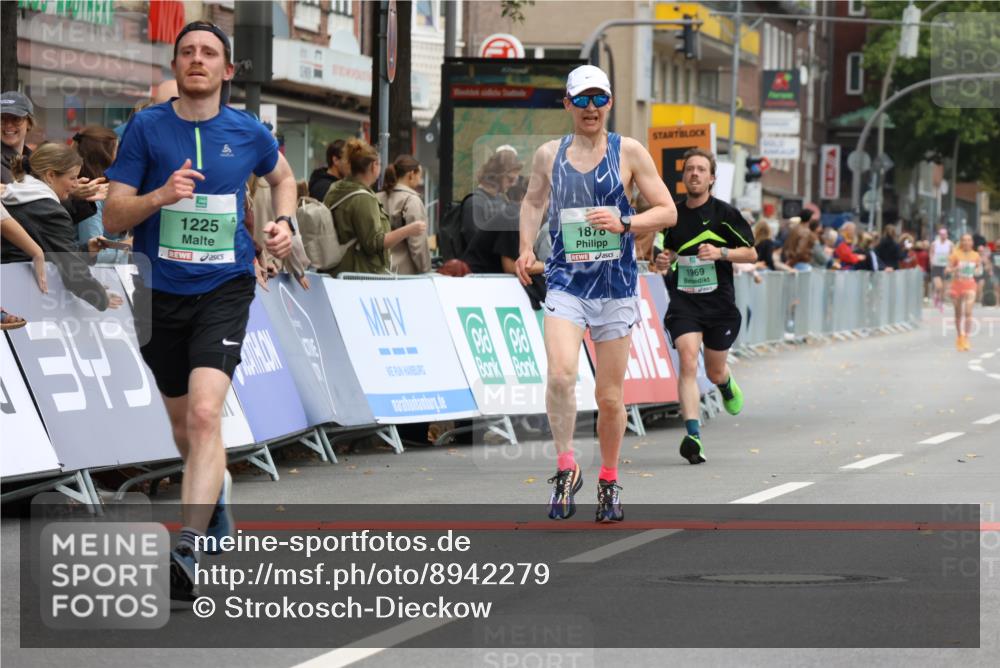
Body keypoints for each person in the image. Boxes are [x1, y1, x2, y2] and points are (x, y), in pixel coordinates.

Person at [102, 21, 297, 604]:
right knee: (185, 425)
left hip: (225, 287)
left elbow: (283, 179)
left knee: (208, 415)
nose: (197, 60)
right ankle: (213, 494)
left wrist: (282, 223)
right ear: (175, 65)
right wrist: (159, 197)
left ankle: (185, 543)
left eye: (209, 53)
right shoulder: (145, 129)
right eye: (187, 51)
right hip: (156, 289)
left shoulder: (248, 131)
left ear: (226, 70)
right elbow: (113, 218)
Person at [515, 65, 677, 522]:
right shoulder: (549, 154)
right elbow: (532, 201)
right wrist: (526, 247)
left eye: (598, 99)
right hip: (566, 281)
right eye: (581, 100)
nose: (591, 108)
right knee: (562, 375)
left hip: (615, 287)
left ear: (609, 103)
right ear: (567, 104)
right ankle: (567, 466)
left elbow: (667, 212)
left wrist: (626, 222)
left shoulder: (629, 152)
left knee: (609, 396)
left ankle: (608, 478)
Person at [653, 149, 756, 465]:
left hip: (720, 306)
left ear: (712, 178)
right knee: (686, 360)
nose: (694, 174)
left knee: (712, 370)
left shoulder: (726, 214)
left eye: (701, 169)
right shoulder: (670, 215)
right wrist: (661, 260)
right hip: (684, 303)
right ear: (683, 177)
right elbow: (659, 255)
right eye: (689, 169)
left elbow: (751, 254)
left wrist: (721, 254)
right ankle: (693, 435)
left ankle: (724, 382)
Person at [1, 144, 121, 312]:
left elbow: (56, 254)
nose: (75, 186)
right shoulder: (51, 212)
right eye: (72, 178)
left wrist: (86, 250)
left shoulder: (11, 195)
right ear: (50, 176)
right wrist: (102, 297)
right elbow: (73, 272)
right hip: (20, 300)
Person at [321, 140, 425, 277]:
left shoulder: (336, 188)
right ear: (374, 166)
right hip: (357, 275)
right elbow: (374, 244)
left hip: (336, 272)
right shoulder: (363, 198)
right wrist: (409, 230)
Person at [73, 126, 132, 264]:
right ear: (104, 156)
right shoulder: (92, 196)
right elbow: (94, 253)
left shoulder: (105, 190)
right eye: (118, 150)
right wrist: (129, 245)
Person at [376, 154, 431, 275]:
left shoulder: (376, 198)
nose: (419, 179)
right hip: (403, 275)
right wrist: (426, 271)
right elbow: (417, 245)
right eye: (419, 175)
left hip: (376, 272)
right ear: (411, 174)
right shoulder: (412, 201)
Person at [462, 149, 523, 253]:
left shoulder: (502, 200)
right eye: (510, 179)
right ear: (498, 175)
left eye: (515, 180)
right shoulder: (475, 203)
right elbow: (476, 244)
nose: (512, 184)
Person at [945, 233, 982, 351]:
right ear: (961, 242)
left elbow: (978, 269)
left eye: (969, 240)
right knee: (958, 314)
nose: (966, 242)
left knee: (968, 312)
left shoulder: (976, 255)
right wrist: (955, 269)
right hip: (957, 286)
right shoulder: (955, 255)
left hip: (970, 285)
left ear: (972, 242)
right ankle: (959, 336)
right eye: (964, 240)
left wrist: (977, 270)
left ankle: (966, 338)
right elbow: (947, 270)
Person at [929, 227, 953, 310]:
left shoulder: (950, 244)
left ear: (947, 235)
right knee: (938, 286)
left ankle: (940, 302)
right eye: (941, 235)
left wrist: (950, 265)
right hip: (936, 266)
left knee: (944, 286)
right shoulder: (935, 243)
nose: (943, 236)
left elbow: (951, 255)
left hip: (945, 266)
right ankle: (936, 295)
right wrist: (931, 262)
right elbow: (931, 253)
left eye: (944, 235)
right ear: (939, 235)